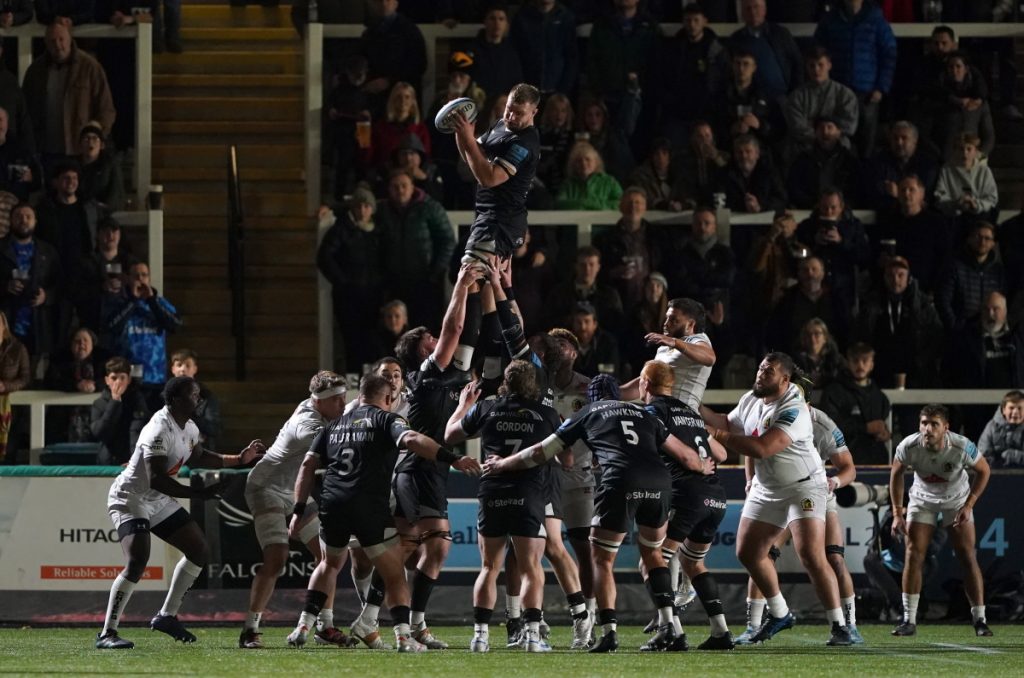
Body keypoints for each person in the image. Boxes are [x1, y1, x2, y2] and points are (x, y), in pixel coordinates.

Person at [484, 373, 708, 653]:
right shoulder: (644, 412)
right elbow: (686, 456)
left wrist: (504, 463)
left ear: (592, 397)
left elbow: (543, 451)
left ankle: (608, 632)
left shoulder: (588, 412)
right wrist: (703, 465)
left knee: (602, 559)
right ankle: (671, 629)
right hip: (659, 484)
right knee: (654, 555)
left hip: (621, 481)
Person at [286, 372, 480, 652]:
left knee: (328, 564)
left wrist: (298, 511)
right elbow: (412, 438)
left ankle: (302, 626)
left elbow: (306, 466)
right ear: (388, 398)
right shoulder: (387, 419)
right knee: (394, 573)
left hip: (333, 504)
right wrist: (454, 458)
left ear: (358, 395)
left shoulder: (334, 425)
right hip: (368, 507)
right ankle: (403, 637)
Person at [95, 376, 266, 649]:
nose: (198, 399)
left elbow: (198, 454)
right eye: (193, 394)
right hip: (131, 497)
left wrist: (238, 459)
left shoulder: (189, 427)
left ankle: (166, 616)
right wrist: (199, 494)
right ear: (176, 400)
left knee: (199, 549)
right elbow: (156, 479)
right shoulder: (158, 429)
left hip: (157, 499)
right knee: (138, 560)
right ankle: (107, 633)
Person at [700, 352, 853, 646]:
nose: (760, 373)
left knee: (811, 553)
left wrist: (715, 433)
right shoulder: (751, 399)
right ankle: (781, 613)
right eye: (760, 367)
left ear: (785, 380)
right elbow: (727, 422)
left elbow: (762, 448)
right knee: (748, 552)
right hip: (767, 487)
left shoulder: (794, 407)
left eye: (768, 371)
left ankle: (840, 625)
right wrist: (692, 404)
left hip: (803, 486)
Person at [446, 360, 590, 652]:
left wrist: (463, 404)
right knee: (532, 567)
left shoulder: (487, 409)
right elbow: (567, 459)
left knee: (489, 567)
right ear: (534, 385)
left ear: (504, 383)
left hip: (493, 490)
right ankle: (534, 634)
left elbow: (450, 435)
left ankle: (480, 636)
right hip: (531, 491)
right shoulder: (547, 414)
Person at [387, 263, 479, 649]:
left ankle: (393, 623)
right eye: (432, 338)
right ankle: (400, 622)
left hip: (426, 468)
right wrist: (460, 283)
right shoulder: (426, 374)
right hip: (420, 467)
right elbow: (455, 329)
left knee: (410, 548)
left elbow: (467, 333)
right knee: (434, 545)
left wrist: (479, 293)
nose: (439, 340)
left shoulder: (443, 380)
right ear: (424, 349)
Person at [239, 372, 351, 649]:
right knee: (277, 556)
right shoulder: (307, 424)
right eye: (337, 400)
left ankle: (325, 626)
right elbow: (334, 443)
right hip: (265, 487)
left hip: (292, 490)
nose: (342, 405)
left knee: (330, 556)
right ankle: (249, 630)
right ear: (320, 401)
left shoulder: (321, 408)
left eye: (343, 399)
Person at [736, 405, 861, 644]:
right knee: (762, 555)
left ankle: (847, 626)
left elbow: (848, 467)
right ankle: (753, 626)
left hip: (812, 493)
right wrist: (751, 481)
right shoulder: (766, 411)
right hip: (775, 495)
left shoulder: (822, 424)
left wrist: (834, 481)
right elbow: (753, 448)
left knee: (832, 557)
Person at [639, 360, 732, 650]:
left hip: (687, 495)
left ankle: (673, 631)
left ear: (646, 383)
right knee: (693, 562)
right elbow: (721, 453)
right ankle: (721, 632)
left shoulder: (654, 411)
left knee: (651, 559)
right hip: (716, 497)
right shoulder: (689, 412)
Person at [889, 404, 993, 637]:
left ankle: (980, 620)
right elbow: (896, 473)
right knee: (913, 553)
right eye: (924, 423)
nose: (928, 429)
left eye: (934, 424)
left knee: (967, 555)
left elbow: (984, 471)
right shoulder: (908, 445)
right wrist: (897, 513)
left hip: (956, 500)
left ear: (946, 428)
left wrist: (969, 505)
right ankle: (909, 620)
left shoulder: (961, 446)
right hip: (922, 499)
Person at [451, 82, 540, 270]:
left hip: (502, 221)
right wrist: (461, 133)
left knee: (467, 276)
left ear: (534, 113)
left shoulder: (524, 143)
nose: (511, 117)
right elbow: (473, 158)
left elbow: (489, 178)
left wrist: (468, 139)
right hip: (488, 216)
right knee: (489, 284)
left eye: (519, 113)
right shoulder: (500, 125)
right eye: (508, 110)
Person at [813, 0, 897, 157]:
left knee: (867, 146)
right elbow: (818, 51)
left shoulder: (875, 19)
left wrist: (881, 87)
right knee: (837, 142)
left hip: (867, 94)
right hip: (837, 92)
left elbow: (889, 54)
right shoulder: (830, 19)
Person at [316, 188, 387, 373]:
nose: (363, 210)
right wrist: (343, 282)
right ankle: (354, 381)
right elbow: (324, 257)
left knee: (374, 340)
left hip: (374, 295)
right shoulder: (341, 229)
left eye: (367, 206)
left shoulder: (379, 232)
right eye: (359, 206)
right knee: (352, 341)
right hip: (349, 297)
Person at [22, 22, 116, 157]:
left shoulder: (90, 67)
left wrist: (95, 136)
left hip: (79, 151)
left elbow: (106, 109)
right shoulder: (35, 71)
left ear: (70, 39)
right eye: (52, 41)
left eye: (61, 39)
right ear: (46, 44)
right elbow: (25, 110)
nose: (58, 45)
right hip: (45, 150)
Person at [378, 170, 455, 330]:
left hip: (425, 281)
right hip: (393, 282)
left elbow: (447, 240)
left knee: (425, 327)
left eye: (404, 186)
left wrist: (435, 272)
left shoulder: (430, 207)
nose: (400, 190)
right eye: (395, 186)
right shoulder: (382, 210)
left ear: (412, 187)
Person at [621, 297, 715, 412]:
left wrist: (675, 342)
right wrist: (615, 392)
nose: (666, 324)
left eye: (674, 320)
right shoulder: (664, 348)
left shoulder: (698, 339)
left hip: (683, 417)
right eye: (666, 318)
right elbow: (647, 382)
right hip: (661, 413)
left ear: (690, 324)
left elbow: (710, 358)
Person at [104, 261, 182, 395]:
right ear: (128, 279)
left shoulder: (160, 303)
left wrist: (151, 301)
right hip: (125, 379)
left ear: (149, 278)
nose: (140, 279)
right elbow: (111, 327)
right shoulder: (119, 302)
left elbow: (175, 326)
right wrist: (133, 300)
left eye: (144, 275)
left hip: (156, 378)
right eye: (136, 276)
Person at [0, 202, 60, 365]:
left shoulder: (48, 252)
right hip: (6, 325)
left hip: (37, 326)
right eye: (18, 216)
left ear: (35, 221)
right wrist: (5, 287)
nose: (23, 220)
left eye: (28, 216)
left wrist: (46, 296)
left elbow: (60, 285)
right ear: (11, 221)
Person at [820, 342, 892, 465]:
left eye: (865, 360)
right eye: (855, 360)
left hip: (876, 463)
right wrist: (865, 428)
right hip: (844, 463)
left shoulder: (880, 397)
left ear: (872, 364)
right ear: (848, 363)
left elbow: (882, 426)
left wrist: (885, 433)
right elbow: (828, 427)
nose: (860, 365)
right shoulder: (834, 392)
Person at [783, 47, 859, 158]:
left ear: (829, 65)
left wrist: (829, 134)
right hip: (806, 143)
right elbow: (797, 127)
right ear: (806, 68)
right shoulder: (796, 97)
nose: (816, 70)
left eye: (820, 65)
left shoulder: (845, 94)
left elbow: (849, 126)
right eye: (812, 66)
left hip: (836, 142)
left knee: (844, 145)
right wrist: (819, 135)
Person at [356, 0, 427, 116]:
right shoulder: (369, 33)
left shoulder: (409, 31)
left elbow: (419, 64)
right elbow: (361, 60)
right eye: (379, 1)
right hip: (375, 100)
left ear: (396, 3)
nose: (384, 4)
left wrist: (389, 81)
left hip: (402, 102)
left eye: (388, 0)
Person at [728, 0, 803, 101]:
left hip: (782, 100)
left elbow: (797, 64)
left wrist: (795, 94)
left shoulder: (781, 34)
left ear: (764, 9)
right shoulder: (735, 39)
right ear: (742, 13)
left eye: (756, 7)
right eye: (748, 8)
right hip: (749, 102)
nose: (753, 12)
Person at [90, 356, 151, 466]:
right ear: (107, 381)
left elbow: (137, 431)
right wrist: (115, 402)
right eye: (114, 378)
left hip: (132, 460)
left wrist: (134, 460)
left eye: (122, 378)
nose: (118, 382)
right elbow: (101, 433)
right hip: (108, 461)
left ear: (129, 380)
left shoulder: (137, 401)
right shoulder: (99, 404)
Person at [548, 246, 624, 333]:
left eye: (591, 265)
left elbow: (618, 324)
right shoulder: (559, 294)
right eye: (582, 265)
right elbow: (548, 322)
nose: (587, 269)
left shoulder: (610, 295)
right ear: (576, 266)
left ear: (598, 267)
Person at [169, 349, 220, 452]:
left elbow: (214, 429)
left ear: (195, 369)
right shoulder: (161, 397)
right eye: (179, 365)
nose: (183, 369)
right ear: (173, 369)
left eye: (187, 365)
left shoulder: (206, 396)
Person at [77, 122, 124, 212]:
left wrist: (106, 205)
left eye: (95, 139)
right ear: (80, 144)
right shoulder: (74, 165)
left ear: (102, 145)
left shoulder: (109, 164)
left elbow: (116, 190)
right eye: (86, 138)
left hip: (102, 210)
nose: (90, 142)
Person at [0, 310, 27, 462]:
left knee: (9, 451)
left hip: (9, 409)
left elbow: (25, 378)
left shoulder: (17, 349)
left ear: (4, 326)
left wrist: (6, 386)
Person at [794, 317, 844, 392]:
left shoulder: (836, 359)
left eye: (817, 334)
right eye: (808, 334)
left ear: (825, 337)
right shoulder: (794, 361)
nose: (812, 338)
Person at [978, 391, 1024, 468]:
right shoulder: (991, 427)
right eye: (1011, 408)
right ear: (1003, 410)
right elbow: (983, 456)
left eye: (1020, 408)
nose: (1015, 412)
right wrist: (998, 461)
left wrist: (1013, 456)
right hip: (997, 475)